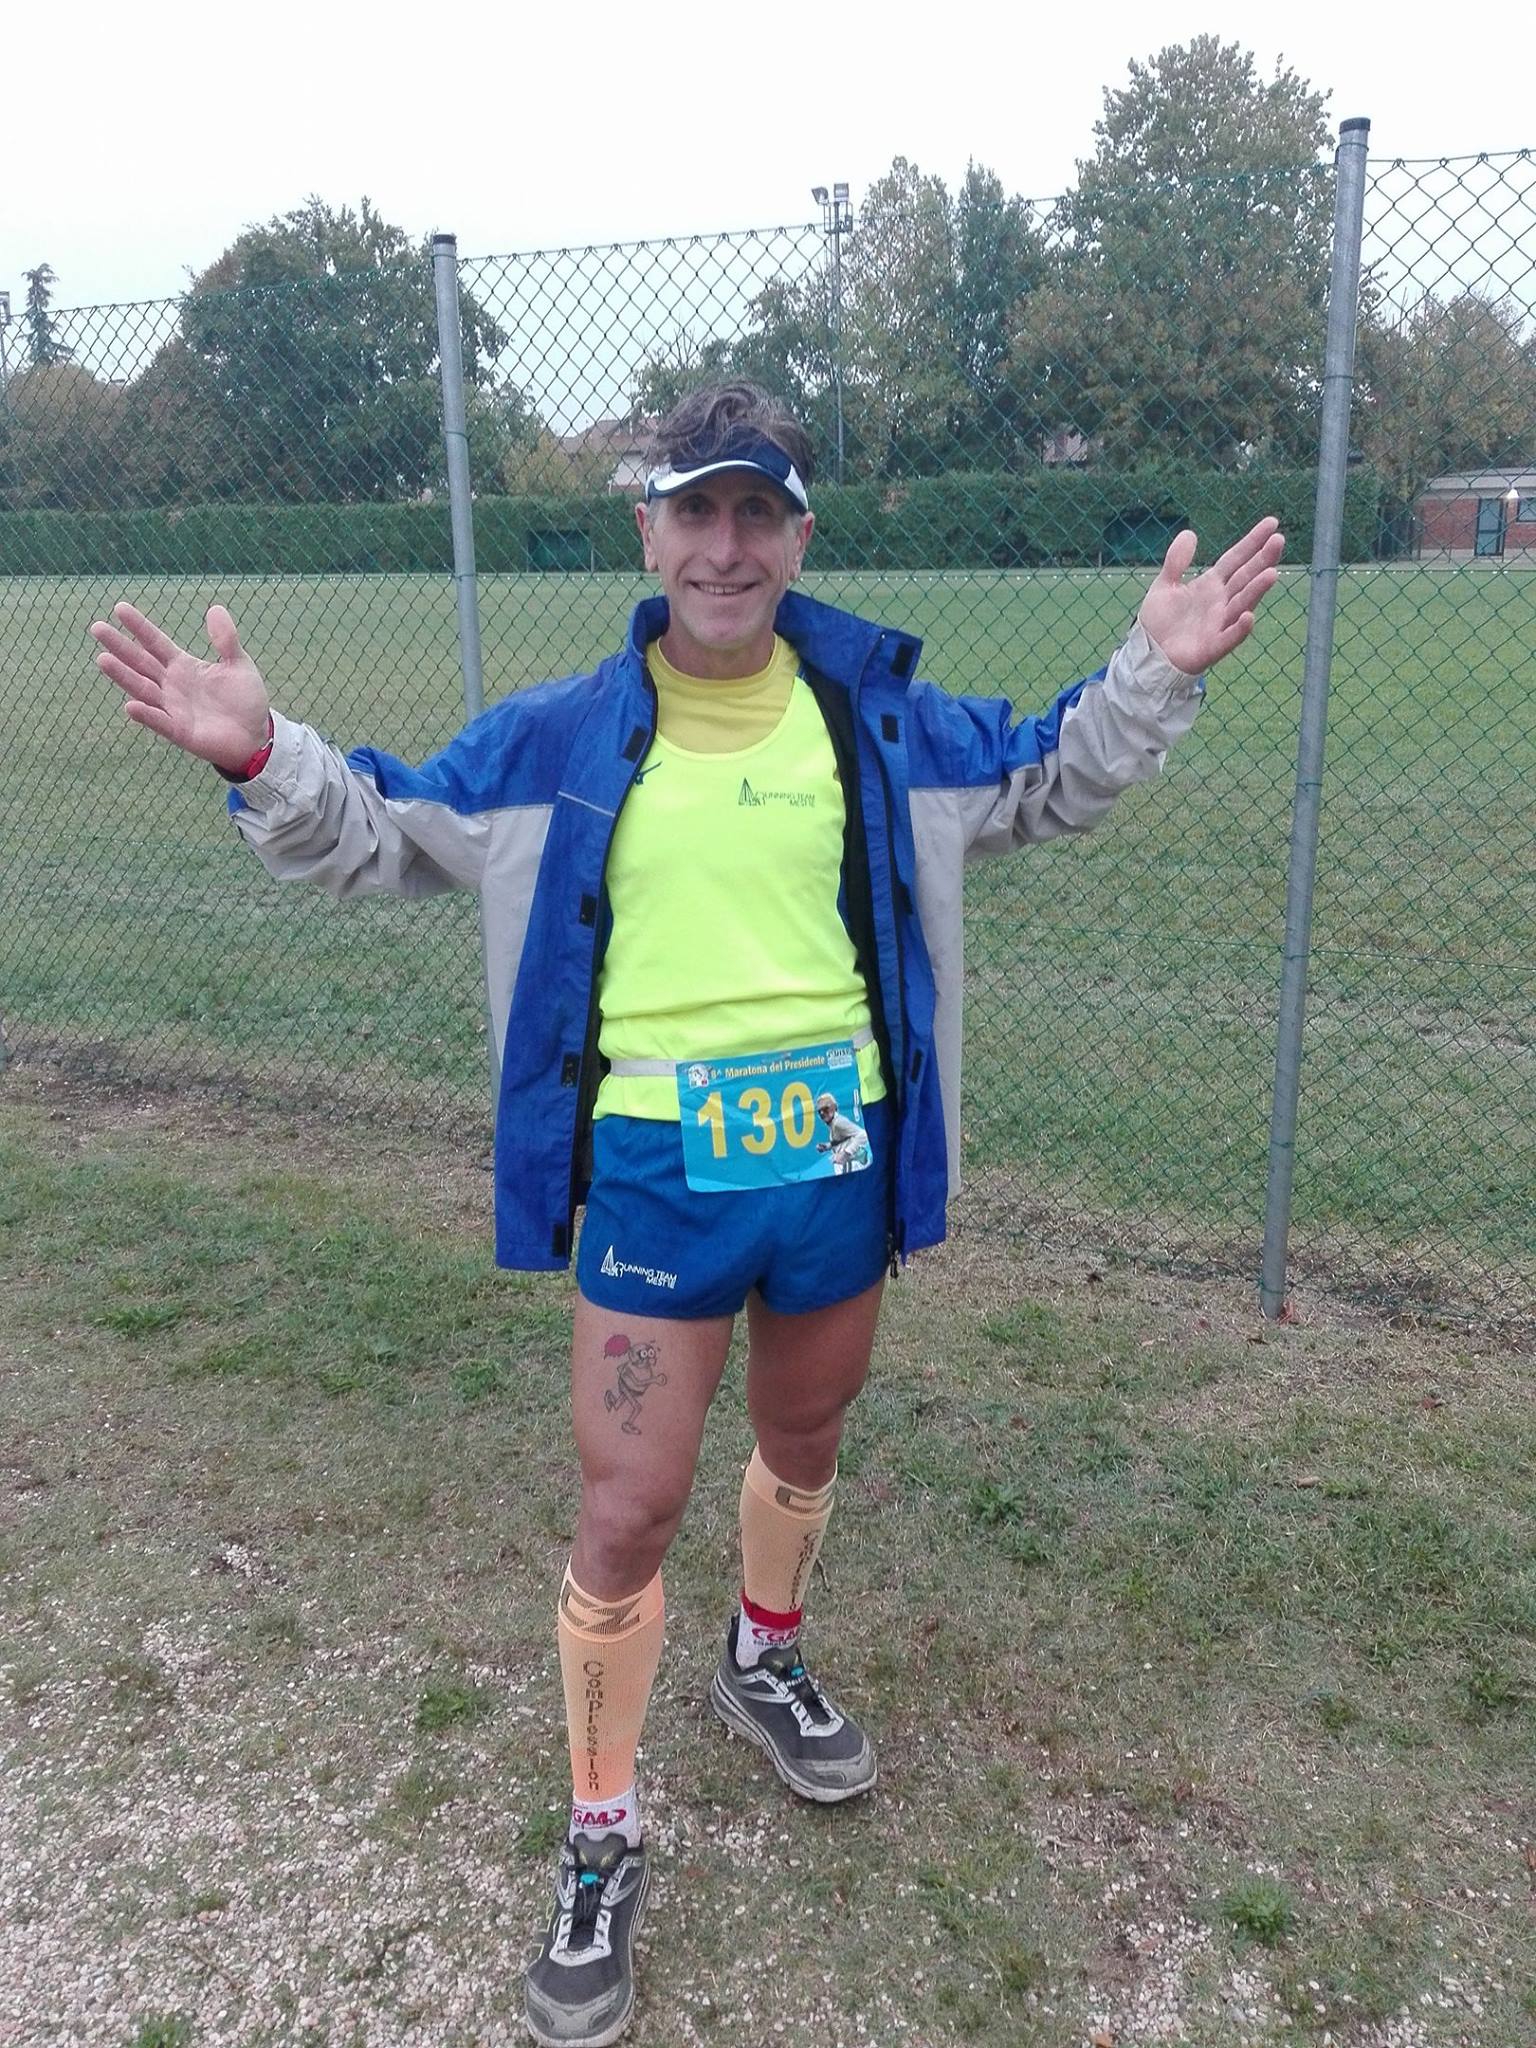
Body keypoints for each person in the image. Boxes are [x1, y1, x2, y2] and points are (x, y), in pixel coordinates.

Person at [91, 382, 1283, 2047]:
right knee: (630, 1506)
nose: (726, 546)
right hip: (656, 1171)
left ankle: (763, 1655)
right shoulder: (560, 740)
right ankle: (600, 1832)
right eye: (696, 512)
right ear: (647, 532)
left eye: (757, 514)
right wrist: (259, 752)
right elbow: (377, 833)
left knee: (806, 1439)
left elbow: (1045, 775)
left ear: (799, 537)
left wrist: (1154, 669)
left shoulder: (875, 721)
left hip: (840, 1157)